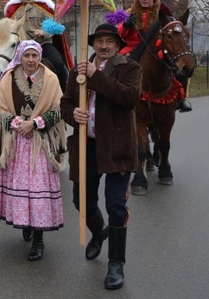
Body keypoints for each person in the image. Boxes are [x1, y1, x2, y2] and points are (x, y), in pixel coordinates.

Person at [60, 23, 141, 290]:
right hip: (86, 146)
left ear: (118, 45)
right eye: (99, 41)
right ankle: (99, 231)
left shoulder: (130, 68)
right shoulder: (77, 70)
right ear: (92, 44)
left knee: (116, 206)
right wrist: (74, 114)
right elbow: (65, 103)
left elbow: (128, 97)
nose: (104, 46)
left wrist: (96, 77)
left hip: (117, 146)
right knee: (81, 201)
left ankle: (116, 263)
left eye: (109, 41)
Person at [0, 40, 67, 261]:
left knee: (38, 189)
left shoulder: (50, 79)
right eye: (26, 56)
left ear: (39, 57)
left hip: (41, 144)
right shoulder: (9, 78)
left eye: (34, 56)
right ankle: (27, 222)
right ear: (20, 57)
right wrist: (16, 123)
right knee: (22, 187)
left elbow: (60, 108)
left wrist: (36, 123)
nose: (31, 60)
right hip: (17, 143)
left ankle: (39, 239)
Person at [117, 0, 192, 112]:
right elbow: (118, 33)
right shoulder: (129, 13)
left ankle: (181, 99)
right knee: (118, 64)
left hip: (156, 48)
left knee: (175, 65)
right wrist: (126, 25)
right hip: (132, 47)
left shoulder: (163, 13)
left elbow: (172, 31)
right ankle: (117, 96)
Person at [5, 0, 72, 90]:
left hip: (42, 44)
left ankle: (63, 91)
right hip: (21, 46)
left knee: (58, 63)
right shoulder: (14, 9)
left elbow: (56, 25)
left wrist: (43, 32)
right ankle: (2, 90)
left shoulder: (43, 6)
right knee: (0, 62)